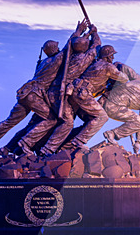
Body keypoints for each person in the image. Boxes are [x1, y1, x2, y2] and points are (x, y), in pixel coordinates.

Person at [0, 20, 88, 157]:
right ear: (54, 50)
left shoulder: (42, 62)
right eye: (57, 48)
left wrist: (83, 35)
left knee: (9, 121)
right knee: (51, 119)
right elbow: (68, 47)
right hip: (34, 95)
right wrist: (78, 31)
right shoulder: (55, 61)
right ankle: (25, 143)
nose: (59, 49)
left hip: (25, 93)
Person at [19, 23, 100, 154]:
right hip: (59, 94)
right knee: (67, 122)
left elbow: (71, 44)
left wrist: (82, 33)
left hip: (50, 93)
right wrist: (94, 33)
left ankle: (28, 146)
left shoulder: (68, 56)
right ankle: (41, 147)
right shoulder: (82, 59)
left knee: (53, 120)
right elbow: (96, 45)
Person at [54, 45, 129, 152]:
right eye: (111, 55)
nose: (113, 58)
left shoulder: (95, 63)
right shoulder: (108, 67)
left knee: (90, 120)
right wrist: (119, 67)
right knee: (102, 117)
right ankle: (79, 141)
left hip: (75, 90)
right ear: (107, 56)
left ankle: (65, 145)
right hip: (83, 93)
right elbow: (123, 78)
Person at [101, 80, 140, 154]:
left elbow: (124, 86)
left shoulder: (139, 83)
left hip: (107, 99)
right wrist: (138, 141)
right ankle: (112, 133)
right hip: (113, 107)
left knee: (134, 119)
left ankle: (112, 133)